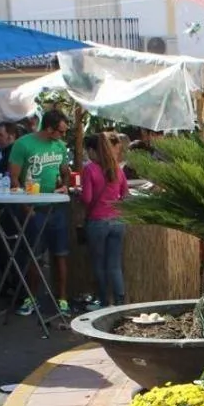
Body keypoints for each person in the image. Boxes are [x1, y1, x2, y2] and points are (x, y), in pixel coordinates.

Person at [8, 109, 72, 316]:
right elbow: (14, 178)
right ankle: (31, 298)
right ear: (49, 128)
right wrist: (26, 207)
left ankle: (62, 299)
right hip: (34, 207)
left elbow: (65, 172)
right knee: (34, 255)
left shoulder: (60, 146)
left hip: (56, 206)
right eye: (60, 131)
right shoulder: (23, 144)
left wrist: (65, 186)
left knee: (60, 254)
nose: (63, 136)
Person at [80, 132, 129, 308]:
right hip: (117, 221)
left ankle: (103, 302)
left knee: (99, 264)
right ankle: (120, 302)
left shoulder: (89, 169)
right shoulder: (117, 168)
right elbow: (125, 194)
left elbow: (86, 198)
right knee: (114, 265)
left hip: (97, 222)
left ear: (93, 151)